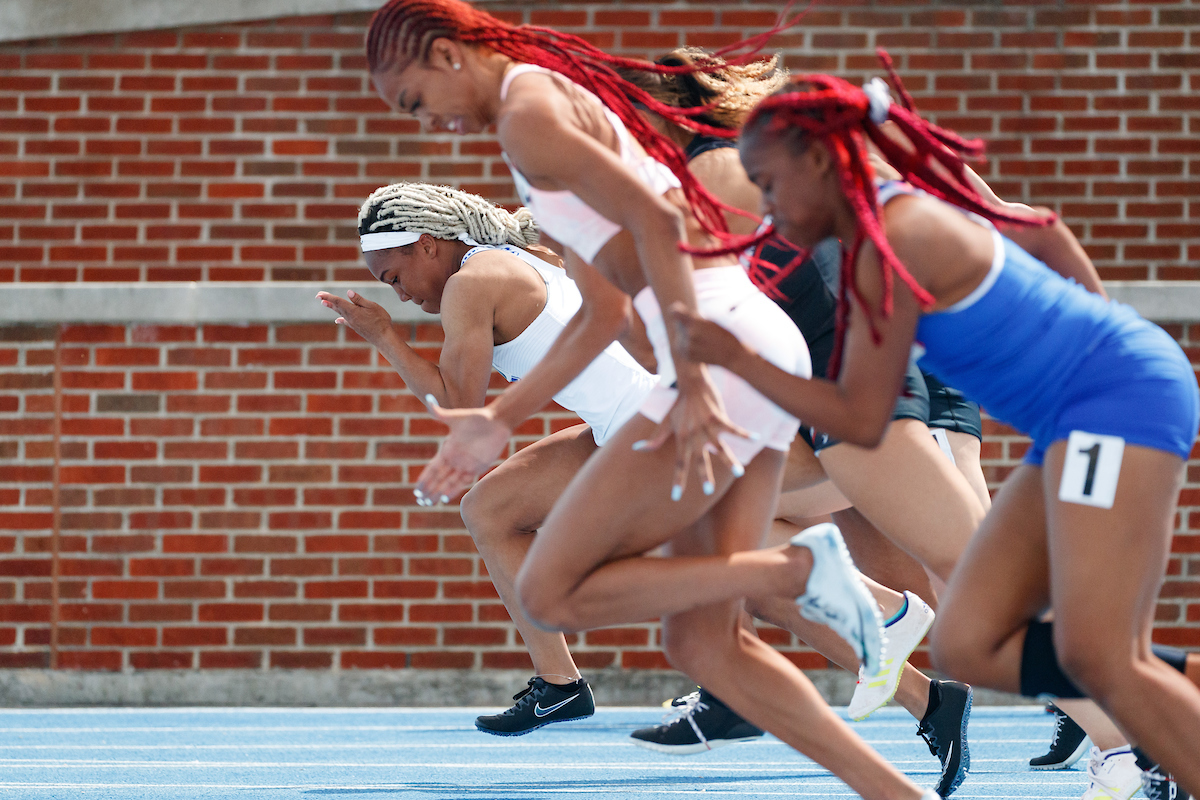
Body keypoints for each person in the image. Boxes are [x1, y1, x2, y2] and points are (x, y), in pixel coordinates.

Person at [364, 3, 941, 798]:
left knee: (550, 590)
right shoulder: (534, 123)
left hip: (714, 348)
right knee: (708, 646)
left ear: (446, 54)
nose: (431, 124)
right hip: (732, 339)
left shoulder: (530, 115)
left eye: (415, 101)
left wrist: (694, 378)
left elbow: (659, 217)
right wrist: (499, 417)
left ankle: (797, 566)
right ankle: (897, 789)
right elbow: (604, 311)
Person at [667, 68, 1200, 795]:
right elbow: (1041, 225)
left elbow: (858, 415)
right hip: (1077, 415)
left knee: (1096, 648)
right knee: (970, 640)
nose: (762, 207)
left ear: (819, 164)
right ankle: (1152, 728)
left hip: (1115, 403)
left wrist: (1105, 340)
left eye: (767, 184)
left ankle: (1151, 756)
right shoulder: (875, 237)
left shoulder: (894, 243)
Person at [618, 50, 978, 796]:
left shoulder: (717, 170)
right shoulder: (715, 173)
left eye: (628, 118)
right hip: (824, 399)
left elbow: (707, 308)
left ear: (664, 113)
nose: (619, 135)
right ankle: (891, 622)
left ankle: (1129, 723)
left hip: (853, 392)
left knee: (985, 591)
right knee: (728, 528)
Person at [317, 181, 659, 736]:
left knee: (765, 571)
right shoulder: (512, 256)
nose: (400, 295)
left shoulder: (470, 284)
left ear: (426, 245)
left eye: (395, 278)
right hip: (626, 425)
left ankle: (827, 655)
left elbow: (459, 406)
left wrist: (384, 337)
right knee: (490, 509)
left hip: (656, 430)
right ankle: (559, 686)